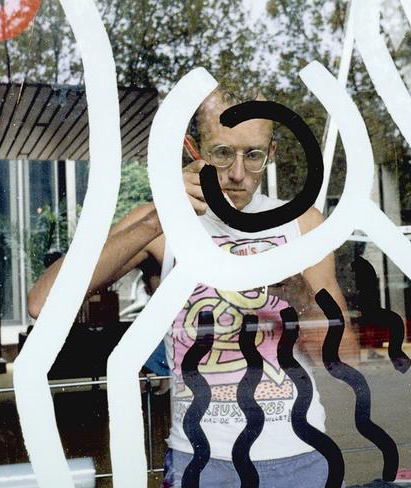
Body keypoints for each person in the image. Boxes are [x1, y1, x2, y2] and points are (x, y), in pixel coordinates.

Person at [27, 86, 358, 487]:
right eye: (222, 153)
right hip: (202, 460)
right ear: (193, 148)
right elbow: (43, 302)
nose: (237, 173)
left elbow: (344, 357)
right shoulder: (159, 222)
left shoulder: (302, 223)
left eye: (252, 155)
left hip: (297, 454)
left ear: (270, 154)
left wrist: (295, 290)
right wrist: (160, 217)